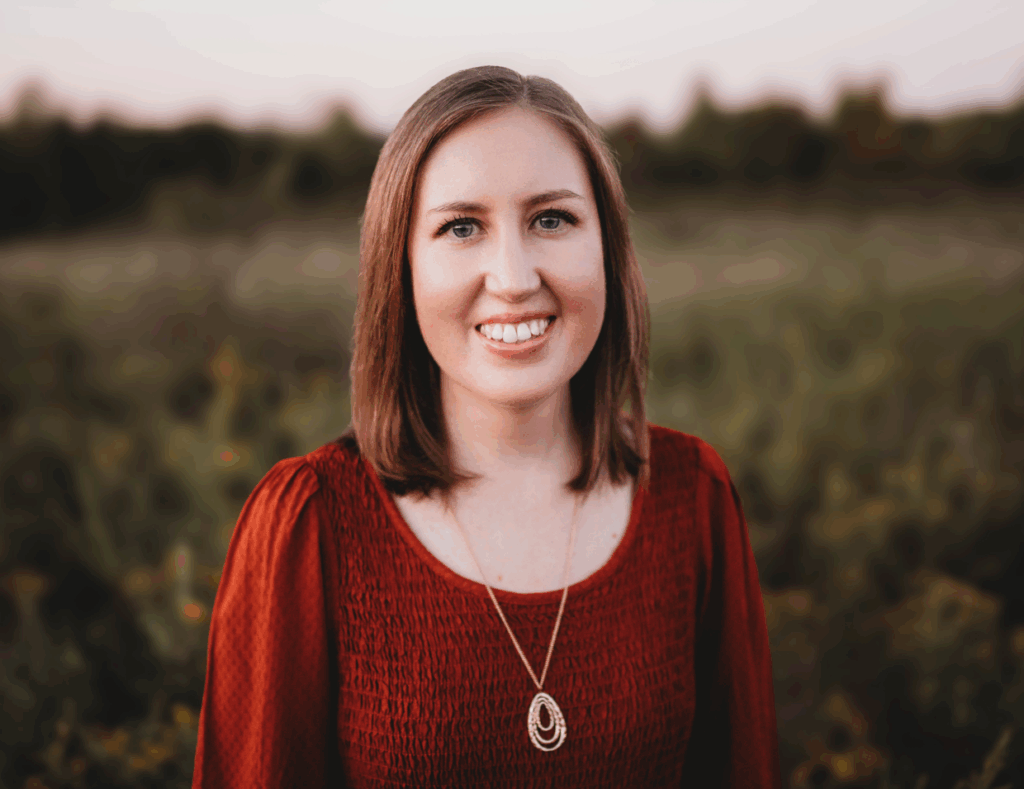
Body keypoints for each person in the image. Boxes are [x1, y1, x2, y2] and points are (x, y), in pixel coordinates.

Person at [191, 65, 781, 788]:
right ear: (400, 266)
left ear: (608, 246)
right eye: (461, 226)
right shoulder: (310, 525)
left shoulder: (693, 497)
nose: (512, 275)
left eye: (552, 219)